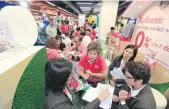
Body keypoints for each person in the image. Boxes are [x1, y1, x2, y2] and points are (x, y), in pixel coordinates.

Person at [45, 58, 110, 109]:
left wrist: (77, 85)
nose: (71, 78)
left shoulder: (52, 82)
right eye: (69, 76)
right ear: (61, 79)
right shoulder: (58, 105)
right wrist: (99, 98)